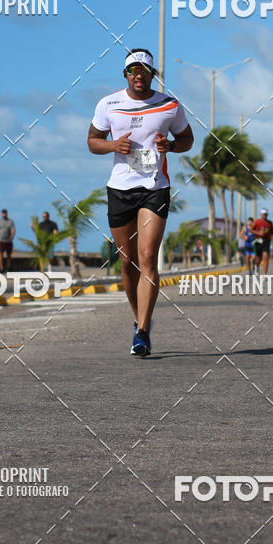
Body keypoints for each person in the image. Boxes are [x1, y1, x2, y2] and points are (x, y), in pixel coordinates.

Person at [87, 48, 194, 357]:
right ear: (125, 74)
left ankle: (143, 332)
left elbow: (187, 140)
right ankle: (137, 319)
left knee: (147, 256)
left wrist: (170, 146)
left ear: (152, 74)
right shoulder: (109, 104)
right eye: (132, 70)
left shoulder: (169, 105)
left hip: (154, 187)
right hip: (120, 188)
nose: (138, 75)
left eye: (144, 70)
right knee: (127, 261)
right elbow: (92, 141)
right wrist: (111, 145)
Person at [251, 208, 273, 275]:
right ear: (261, 214)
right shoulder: (257, 222)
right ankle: (256, 265)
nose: (265, 215)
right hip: (258, 241)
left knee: (265, 257)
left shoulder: (270, 223)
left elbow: (272, 231)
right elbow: (251, 230)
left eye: (266, 214)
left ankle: (265, 274)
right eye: (264, 214)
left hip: (266, 241)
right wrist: (258, 233)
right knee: (259, 258)